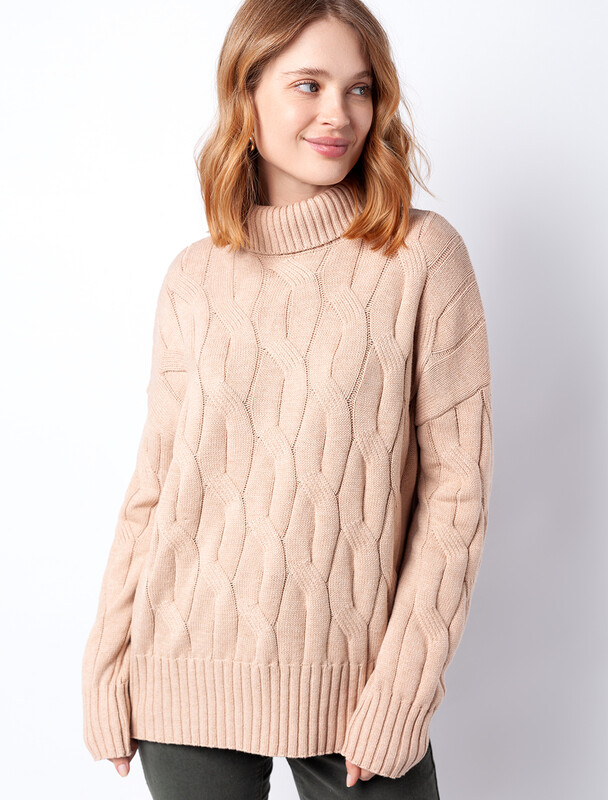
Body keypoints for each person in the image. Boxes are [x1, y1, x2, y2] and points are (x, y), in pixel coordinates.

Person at [81, 0, 494, 797]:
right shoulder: (194, 276)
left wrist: (401, 695)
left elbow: (457, 496)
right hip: (183, 668)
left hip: (358, 690)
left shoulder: (421, 257)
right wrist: (107, 661)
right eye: (309, 84)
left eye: (359, 88)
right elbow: (156, 486)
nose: (339, 113)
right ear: (248, 92)